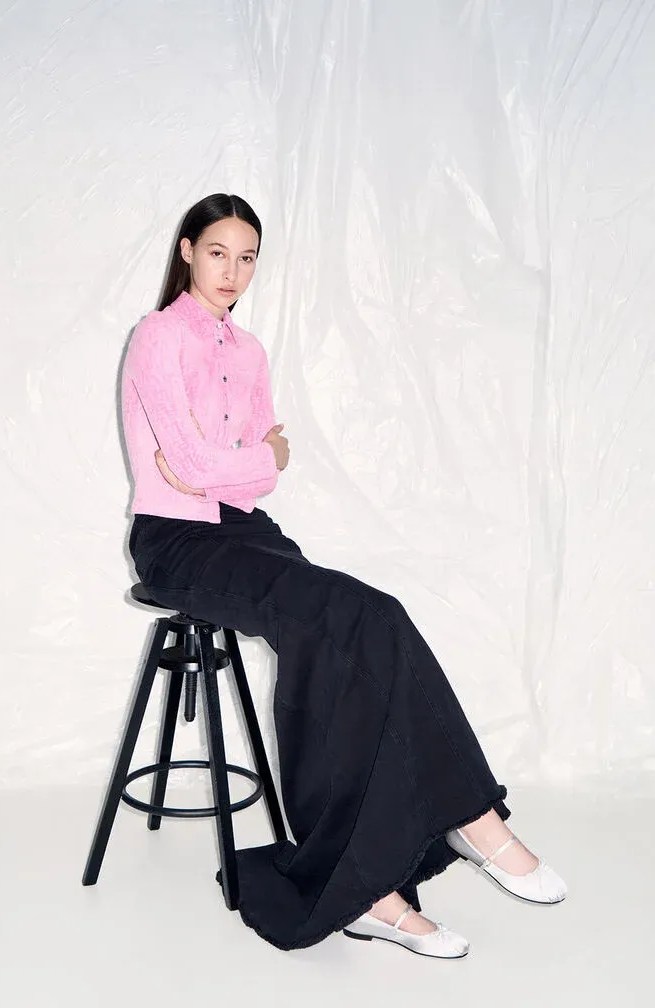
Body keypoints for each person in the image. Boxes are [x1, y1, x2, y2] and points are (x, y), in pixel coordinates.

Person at [121, 192, 567, 957]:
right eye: (219, 252)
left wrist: (236, 464)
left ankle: (405, 863)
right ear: (188, 250)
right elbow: (203, 469)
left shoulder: (249, 351)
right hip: (178, 541)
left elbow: (252, 479)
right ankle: (457, 830)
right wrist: (252, 456)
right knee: (341, 617)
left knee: (371, 616)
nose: (233, 271)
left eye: (248, 257)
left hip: (247, 531)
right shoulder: (157, 337)